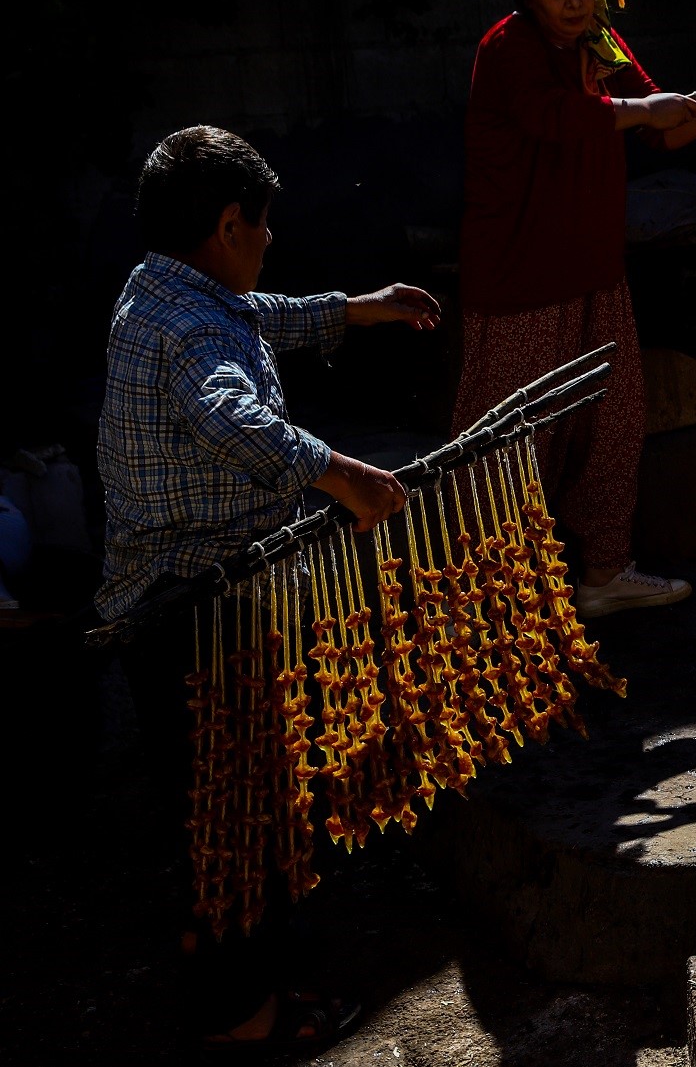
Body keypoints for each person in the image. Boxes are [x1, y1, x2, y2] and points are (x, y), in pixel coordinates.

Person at [97, 125, 438, 1047]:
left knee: (222, 803)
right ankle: (247, 1019)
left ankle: (233, 970)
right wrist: (349, 476)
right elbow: (236, 421)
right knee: (227, 817)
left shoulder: (164, 287)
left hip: (181, 601)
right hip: (188, 613)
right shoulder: (193, 331)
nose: (270, 241)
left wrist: (358, 308)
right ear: (227, 223)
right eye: (262, 226)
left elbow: (262, 315)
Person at [452, 0, 696, 617]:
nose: (573, 2)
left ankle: (603, 571)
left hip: (594, 266)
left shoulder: (602, 46)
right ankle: (482, 594)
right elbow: (558, 120)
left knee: (613, 424)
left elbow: (666, 128)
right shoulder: (508, 49)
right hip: (522, 277)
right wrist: (651, 111)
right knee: (515, 436)